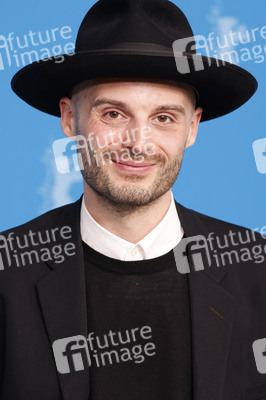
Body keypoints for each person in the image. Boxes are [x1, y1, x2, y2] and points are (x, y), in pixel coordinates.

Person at [1, 0, 266, 399]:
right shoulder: (7, 273)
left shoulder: (257, 271)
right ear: (70, 119)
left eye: (164, 118)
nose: (138, 144)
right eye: (113, 114)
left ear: (191, 128)